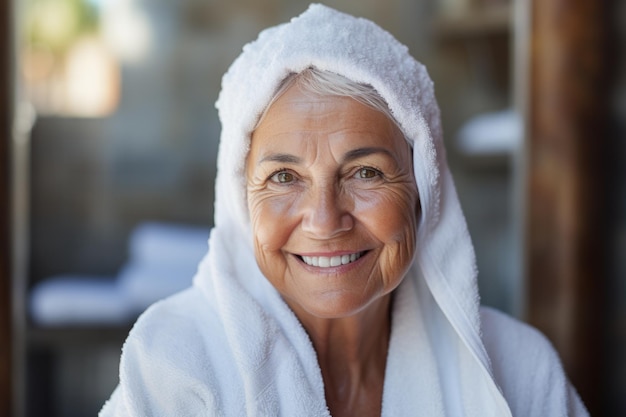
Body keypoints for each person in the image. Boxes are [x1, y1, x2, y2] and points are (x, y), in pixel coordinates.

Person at [100, 4, 588, 416]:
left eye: (366, 173)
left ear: (424, 187)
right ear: (240, 200)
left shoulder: (521, 373)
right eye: (284, 178)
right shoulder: (173, 370)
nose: (325, 220)